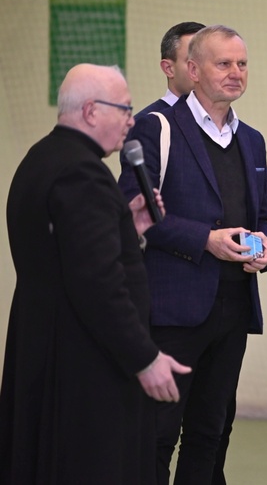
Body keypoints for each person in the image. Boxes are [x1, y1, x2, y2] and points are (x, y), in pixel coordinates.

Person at [0, 63, 190, 485]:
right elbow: (98, 284)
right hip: (83, 362)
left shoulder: (42, 159)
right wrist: (145, 358)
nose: (131, 120)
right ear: (90, 111)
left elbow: (68, 253)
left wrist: (129, 229)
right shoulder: (83, 174)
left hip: (45, 346)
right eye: (124, 109)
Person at [119, 25, 267, 485]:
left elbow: (261, 213)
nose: (235, 73)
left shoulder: (251, 139)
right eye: (223, 63)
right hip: (173, 310)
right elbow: (134, 211)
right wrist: (205, 240)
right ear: (192, 69)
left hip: (233, 307)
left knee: (211, 433)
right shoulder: (155, 128)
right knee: (157, 432)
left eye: (242, 64)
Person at [135, 21, 205, 119]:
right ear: (168, 69)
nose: (205, 69)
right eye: (192, 62)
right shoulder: (146, 124)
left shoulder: (227, 123)